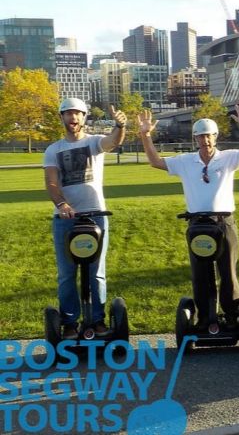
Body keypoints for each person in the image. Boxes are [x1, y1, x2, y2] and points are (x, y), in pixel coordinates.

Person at [137, 104, 239, 329]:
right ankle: (205, 318)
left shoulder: (228, 158)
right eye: (201, 136)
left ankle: (232, 316)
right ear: (195, 139)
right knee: (201, 274)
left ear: (216, 136)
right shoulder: (185, 161)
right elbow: (156, 161)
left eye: (209, 136)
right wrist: (145, 136)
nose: (206, 140)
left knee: (228, 272)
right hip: (197, 224)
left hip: (224, 222)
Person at [44, 98, 127, 340]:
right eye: (68, 114)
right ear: (62, 118)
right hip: (65, 219)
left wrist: (120, 126)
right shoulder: (53, 150)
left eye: (78, 114)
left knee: (96, 272)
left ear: (84, 117)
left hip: (96, 216)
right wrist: (62, 204)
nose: (73, 118)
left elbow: (113, 141)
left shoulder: (93, 142)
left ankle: (97, 320)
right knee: (67, 273)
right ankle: (70, 323)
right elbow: (51, 182)